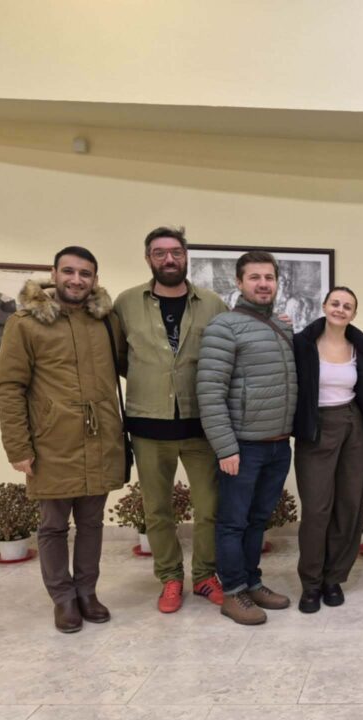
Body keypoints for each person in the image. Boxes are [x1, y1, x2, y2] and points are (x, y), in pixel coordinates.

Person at [0, 246, 124, 633]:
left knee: (92, 523)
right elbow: (9, 387)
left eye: (85, 273)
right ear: (54, 274)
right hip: (52, 442)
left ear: (95, 279)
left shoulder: (106, 321)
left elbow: (129, 365)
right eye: (69, 271)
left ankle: (87, 592)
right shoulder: (25, 323)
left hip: (100, 438)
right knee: (52, 526)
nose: (76, 280)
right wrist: (18, 447)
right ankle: (63, 598)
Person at [113, 226, 229, 614]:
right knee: (157, 510)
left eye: (176, 252)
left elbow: (227, 356)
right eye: (160, 252)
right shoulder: (126, 303)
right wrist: (156, 381)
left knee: (210, 507)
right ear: (148, 258)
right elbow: (119, 359)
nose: (169, 259)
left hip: (202, 425)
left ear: (186, 256)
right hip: (148, 426)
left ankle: (205, 575)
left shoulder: (213, 304)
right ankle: (170, 578)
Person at [197, 251, 298, 625]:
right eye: (254, 277)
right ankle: (233, 592)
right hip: (243, 446)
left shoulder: (281, 326)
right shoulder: (224, 327)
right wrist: (226, 447)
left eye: (269, 277)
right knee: (233, 522)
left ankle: (252, 582)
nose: (263, 284)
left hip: (278, 444)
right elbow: (210, 391)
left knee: (257, 520)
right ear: (239, 282)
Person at [292, 287, 363, 612]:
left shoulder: (362, 346)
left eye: (347, 306)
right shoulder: (302, 343)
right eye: (336, 303)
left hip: (353, 426)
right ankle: (311, 583)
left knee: (349, 505)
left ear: (354, 313)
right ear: (325, 306)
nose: (340, 309)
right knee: (317, 509)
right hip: (316, 428)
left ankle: (334, 578)